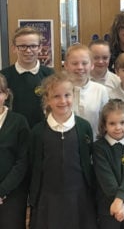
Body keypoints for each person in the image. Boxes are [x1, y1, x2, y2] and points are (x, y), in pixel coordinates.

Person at [28, 72, 98, 229]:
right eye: (56, 96)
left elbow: (88, 160)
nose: (63, 101)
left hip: (79, 195)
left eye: (67, 95)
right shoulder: (38, 131)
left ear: (73, 95)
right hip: (48, 196)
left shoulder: (84, 127)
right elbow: (34, 165)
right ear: (47, 99)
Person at [93, 99, 124, 229]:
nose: (118, 127)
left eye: (122, 122)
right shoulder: (98, 147)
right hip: (108, 206)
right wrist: (119, 202)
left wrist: (121, 199)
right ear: (104, 125)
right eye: (112, 123)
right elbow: (106, 178)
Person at [0, 26, 54, 127]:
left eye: (33, 46)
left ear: (40, 48)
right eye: (23, 46)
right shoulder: (3, 76)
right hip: (12, 133)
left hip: (43, 131)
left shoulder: (50, 75)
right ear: (14, 48)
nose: (28, 50)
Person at [0, 74, 30, 229]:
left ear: (5, 94)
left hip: (13, 192)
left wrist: (2, 190)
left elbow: (23, 160)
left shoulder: (18, 121)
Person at [63, 43, 109, 140]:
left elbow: (106, 121)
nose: (80, 67)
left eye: (84, 63)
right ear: (66, 65)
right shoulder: (60, 90)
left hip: (95, 144)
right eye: (75, 63)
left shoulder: (101, 90)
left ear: (92, 65)